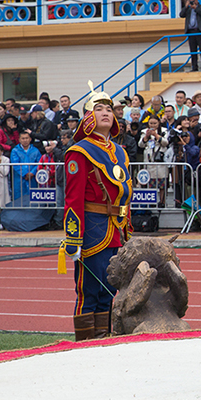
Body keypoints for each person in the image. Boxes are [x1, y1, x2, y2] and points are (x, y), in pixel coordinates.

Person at [59, 83, 133, 341]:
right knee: (89, 290)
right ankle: (85, 341)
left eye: (109, 109)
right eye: (98, 109)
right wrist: (73, 238)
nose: (105, 113)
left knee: (109, 289)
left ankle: (103, 337)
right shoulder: (79, 152)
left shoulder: (120, 152)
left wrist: (127, 229)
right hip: (91, 229)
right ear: (88, 118)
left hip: (116, 230)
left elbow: (125, 192)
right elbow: (73, 198)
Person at [179, 0, 201, 72]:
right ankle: (194, 67)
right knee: (193, 51)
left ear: (197, 0)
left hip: (199, 31)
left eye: (194, 1)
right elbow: (181, 15)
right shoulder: (188, 9)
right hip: (191, 32)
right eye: (191, 1)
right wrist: (186, 6)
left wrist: (196, 8)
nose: (193, 2)